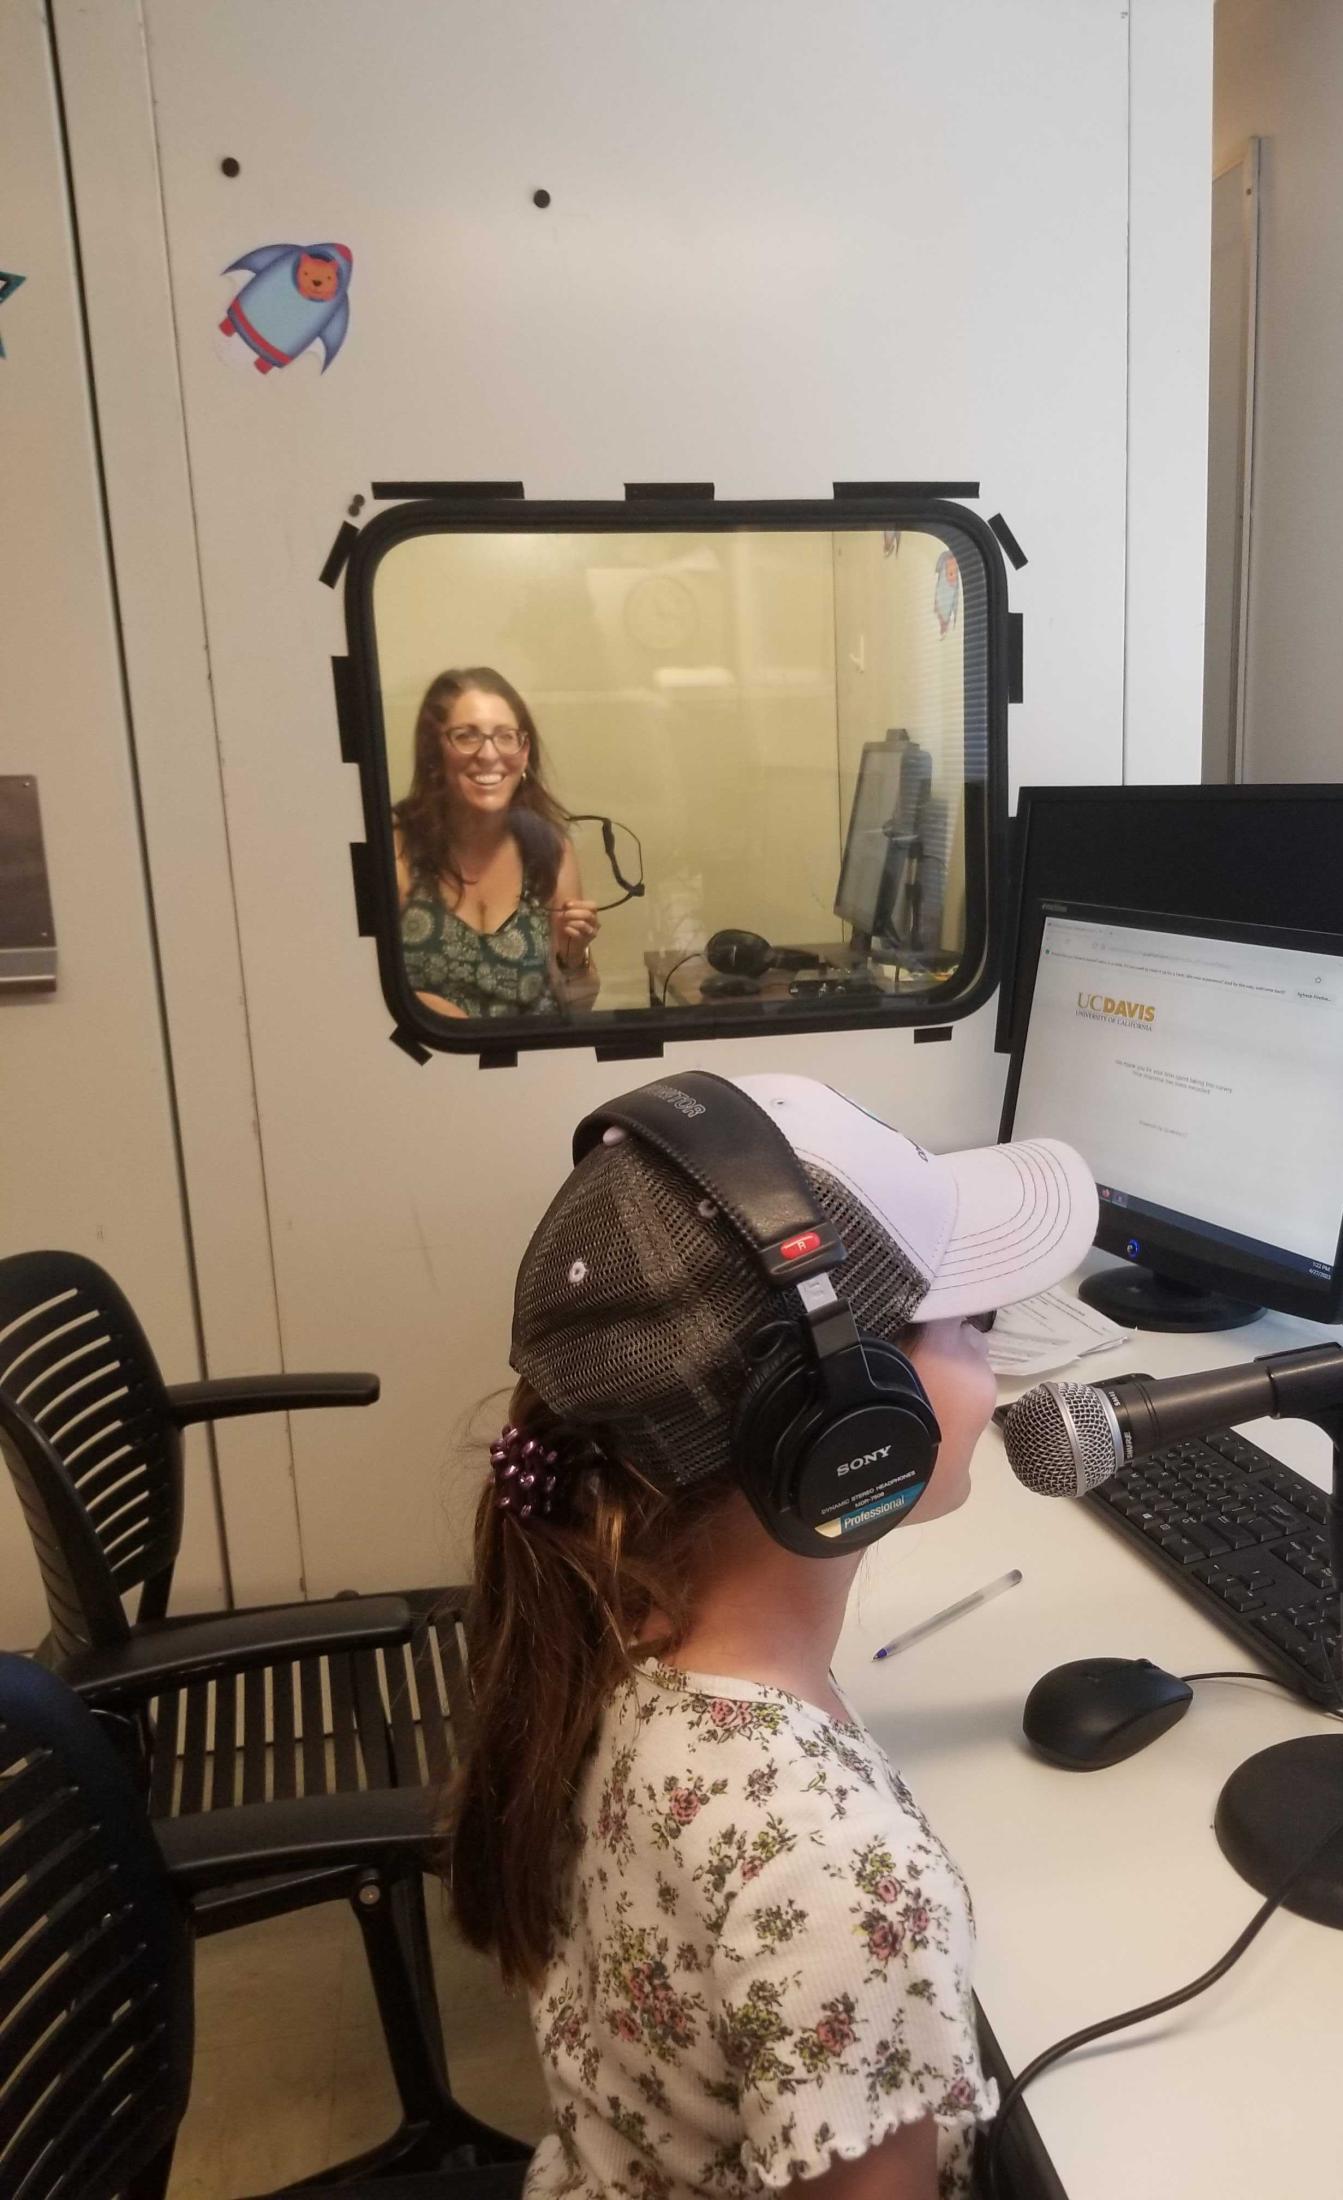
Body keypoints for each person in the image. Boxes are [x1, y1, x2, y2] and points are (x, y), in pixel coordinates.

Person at [447, 1071, 1099, 2198]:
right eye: (973, 1321)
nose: (998, 1363)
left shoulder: (608, 1611)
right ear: (849, 1428)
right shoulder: (849, 1883)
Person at [394, 667, 600, 1019]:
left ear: (523, 754)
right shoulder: (398, 844)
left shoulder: (548, 848)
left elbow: (577, 1007)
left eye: (506, 737)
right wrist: (426, 1014)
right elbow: (358, 986)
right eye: (466, 736)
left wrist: (574, 958)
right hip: (427, 1064)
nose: (489, 754)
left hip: (532, 1065)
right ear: (434, 753)